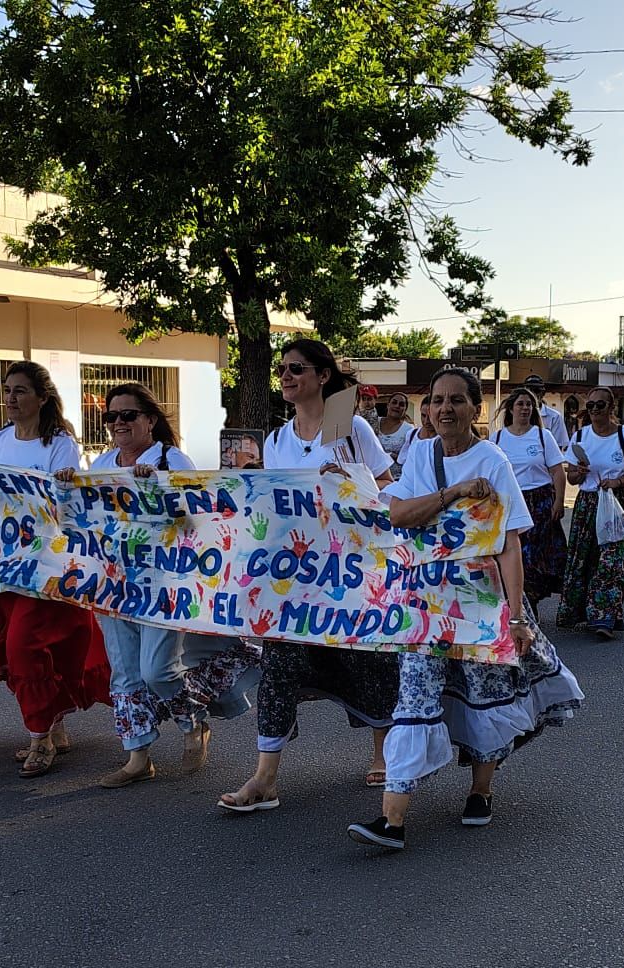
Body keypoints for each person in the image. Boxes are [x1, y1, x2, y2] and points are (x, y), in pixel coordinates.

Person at [349, 367, 584, 850]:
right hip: (424, 602)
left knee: (483, 693)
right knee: (413, 699)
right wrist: (453, 493)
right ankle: (393, 818)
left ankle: (481, 790)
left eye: (456, 400)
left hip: (480, 601)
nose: (445, 409)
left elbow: (509, 545)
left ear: (475, 408)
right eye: (437, 400)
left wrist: (516, 617)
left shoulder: (493, 460)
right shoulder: (421, 452)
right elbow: (400, 513)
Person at [219, 339, 400, 813]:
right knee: (279, 664)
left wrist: (349, 480)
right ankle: (265, 777)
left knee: (370, 657)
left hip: (352, 570)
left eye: (297, 368)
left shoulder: (349, 427)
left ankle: (383, 751)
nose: (286, 375)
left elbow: (387, 486)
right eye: (282, 368)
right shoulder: (278, 440)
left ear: (323, 376)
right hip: (295, 577)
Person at [57, 381, 261, 788]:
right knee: (125, 673)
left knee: (157, 670)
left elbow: (200, 520)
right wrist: (66, 488)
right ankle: (137, 756)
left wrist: (158, 491)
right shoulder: (102, 465)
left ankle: (193, 720)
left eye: (128, 415)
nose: (118, 422)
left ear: (150, 420)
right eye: (111, 416)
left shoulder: (172, 460)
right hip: (114, 585)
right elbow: (80, 520)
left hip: (164, 586)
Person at [0, 361, 113, 779]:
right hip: (4, 563)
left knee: (23, 646)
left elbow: (65, 503)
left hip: (45, 567)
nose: (11, 398)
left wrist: (63, 483)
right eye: (7, 390)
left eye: (20, 390)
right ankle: (51, 725)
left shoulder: (59, 444)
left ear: (42, 397)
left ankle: (39, 736)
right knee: (10, 647)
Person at [557, 387, 624, 640]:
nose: (594, 410)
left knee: (611, 560)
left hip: (617, 502)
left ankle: (605, 616)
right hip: (588, 503)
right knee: (583, 558)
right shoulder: (581, 436)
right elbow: (572, 477)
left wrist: (617, 482)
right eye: (591, 405)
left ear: (611, 407)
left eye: (600, 405)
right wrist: (578, 472)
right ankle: (584, 611)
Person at [492, 387, 569, 617]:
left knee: (535, 555)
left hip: (540, 501)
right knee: (513, 552)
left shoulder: (543, 436)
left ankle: (531, 600)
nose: (525, 408)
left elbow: (557, 471)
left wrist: (559, 501)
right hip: (510, 502)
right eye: (520, 404)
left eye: (529, 404)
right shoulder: (497, 438)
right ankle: (521, 602)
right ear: (511, 409)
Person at [520, 374, 572, 454]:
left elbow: (558, 447)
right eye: (529, 391)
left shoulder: (554, 417)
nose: (533, 395)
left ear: (542, 393)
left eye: (536, 391)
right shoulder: (517, 415)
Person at [375, 390, 419, 480]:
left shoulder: (409, 430)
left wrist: (394, 456)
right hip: (375, 476)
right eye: (394, 402)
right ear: (388, 405)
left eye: (401, 404)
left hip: (398, 479)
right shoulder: (374, 423)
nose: (397, 406)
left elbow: (412, 458)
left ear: (405, 409)